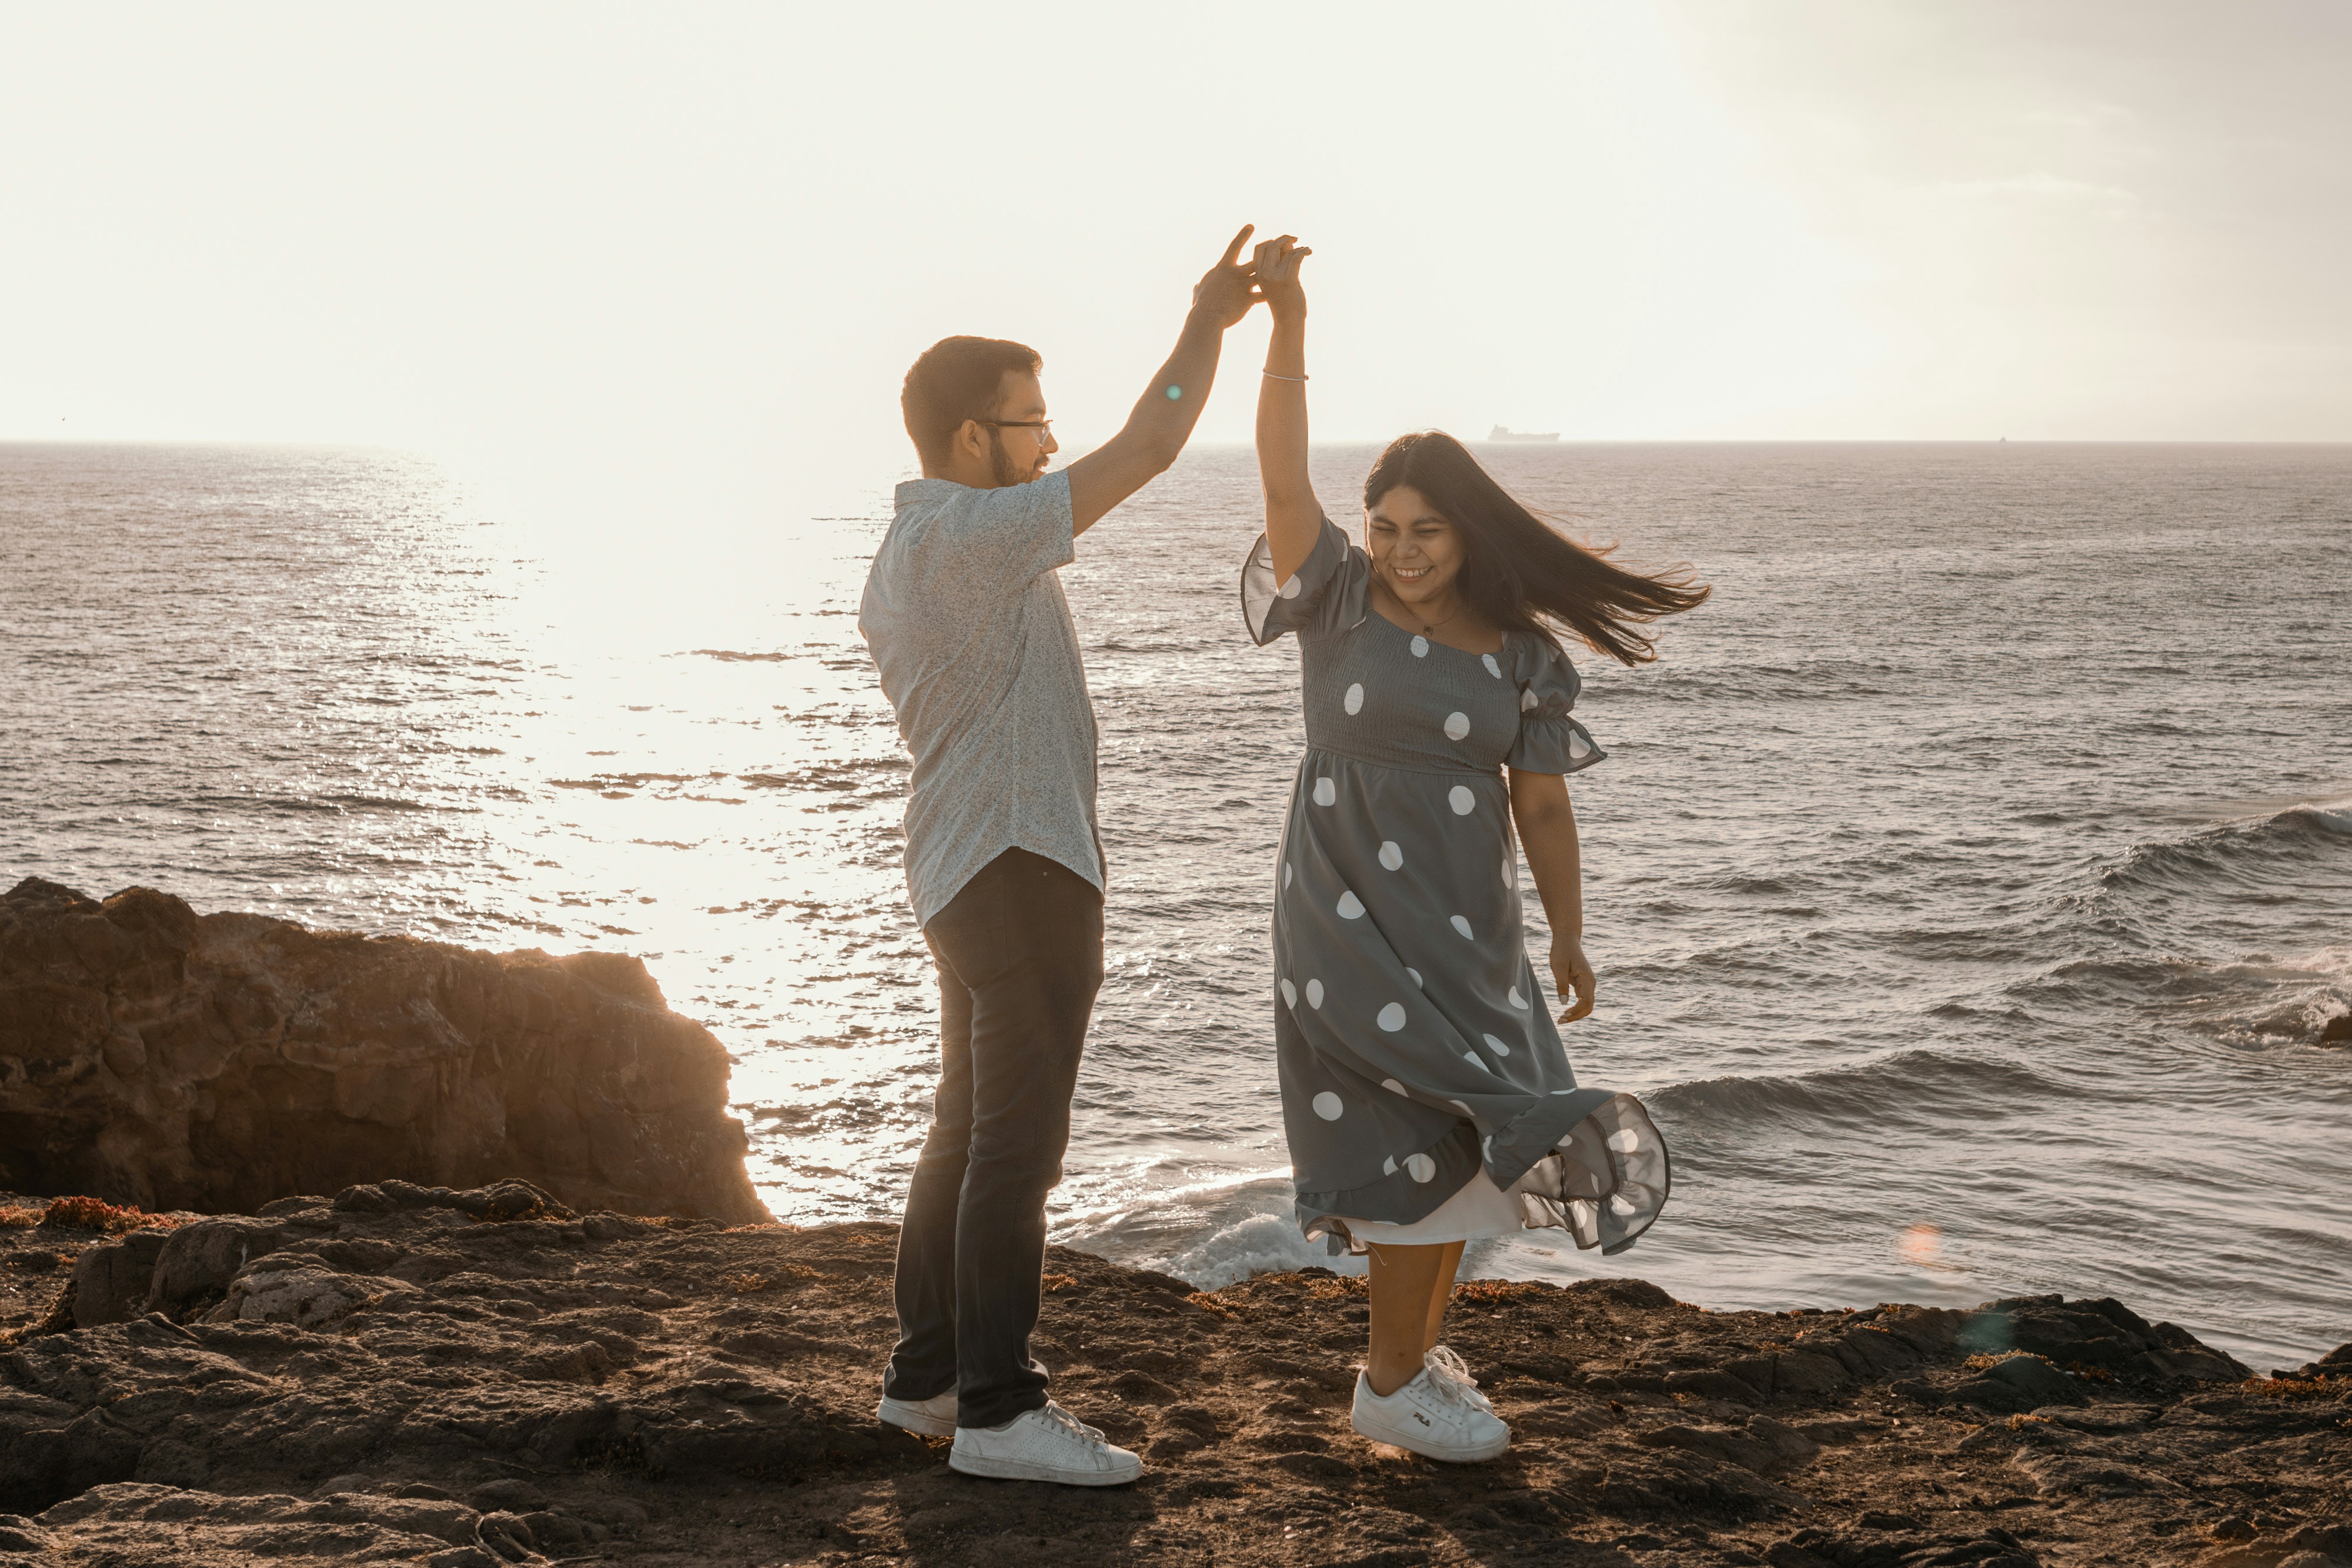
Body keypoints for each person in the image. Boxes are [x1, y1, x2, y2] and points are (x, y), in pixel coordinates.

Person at [1240, 235, 1708, 1463]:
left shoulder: (1519, 653)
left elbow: (1543, 807)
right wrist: (1289, 325)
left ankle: (1399, 1369)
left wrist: (1565, 930)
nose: (1399, 547)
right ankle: (1391, 1381)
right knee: (1403, 1140)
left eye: (1426, 529)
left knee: (1466, 1140)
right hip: (1341, 914)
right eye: (1383, 524)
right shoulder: (1332, 600)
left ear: (1467, 529)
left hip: (1471, 931)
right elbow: (1282, 476)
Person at [858, 227, 1264, 1486]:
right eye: (1028, 423)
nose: (1046, 441)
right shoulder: (979, 543)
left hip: (962, 868)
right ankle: (998, 1407)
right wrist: (1208, 322)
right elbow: (1150, 444)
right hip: (1023, 867)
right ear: (972, 439)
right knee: (1015, 1146)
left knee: (962, 1131)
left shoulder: (905, 553)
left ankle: (923, 1380)